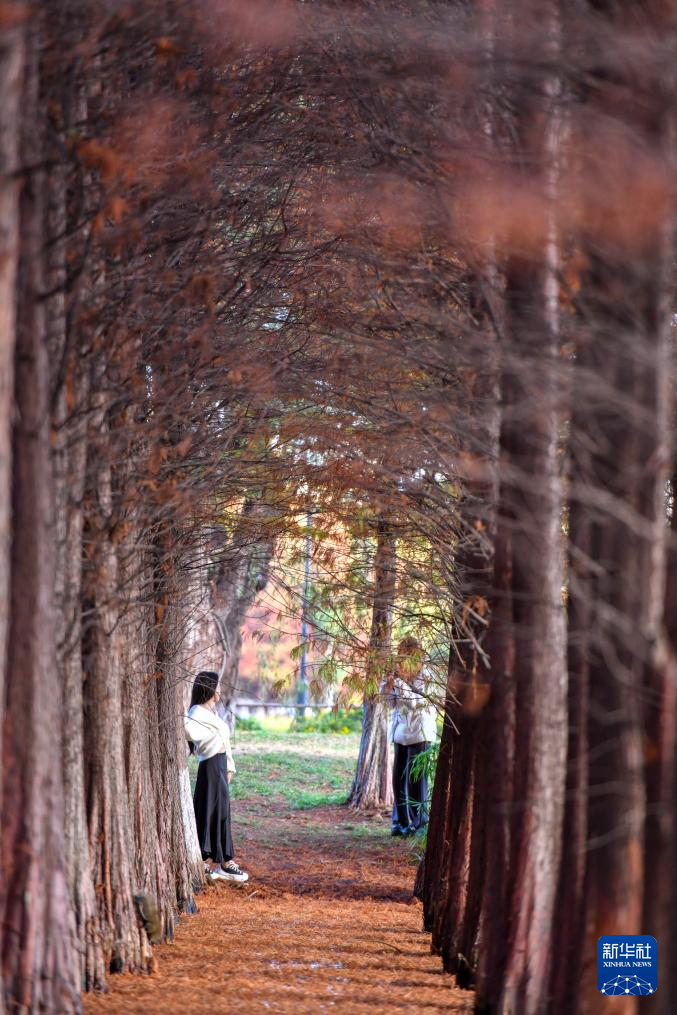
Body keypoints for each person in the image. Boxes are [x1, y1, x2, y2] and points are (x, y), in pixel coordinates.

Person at [184, 671, 249, 884]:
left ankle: (223, 863)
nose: (219, 690)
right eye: (217, 686)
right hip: (210, 766)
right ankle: (208, 863)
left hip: (219, 766)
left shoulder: (210, 711)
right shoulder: (196, 712)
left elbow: (223, 740)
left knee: (221, 813)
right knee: (208, 811)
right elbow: (189, 732)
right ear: (209, 688)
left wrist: (229, 767)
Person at [384, 637, 437, 837]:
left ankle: (418, 823)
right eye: (401, 652)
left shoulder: (426, 675)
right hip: (400, 733)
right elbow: (391, 703)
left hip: (420, 732)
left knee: (417, 781)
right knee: (398, 780)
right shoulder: (399, 674)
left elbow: (415, 703)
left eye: (407, 652)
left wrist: (399, 682)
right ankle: (400, 822)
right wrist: (388, 685)